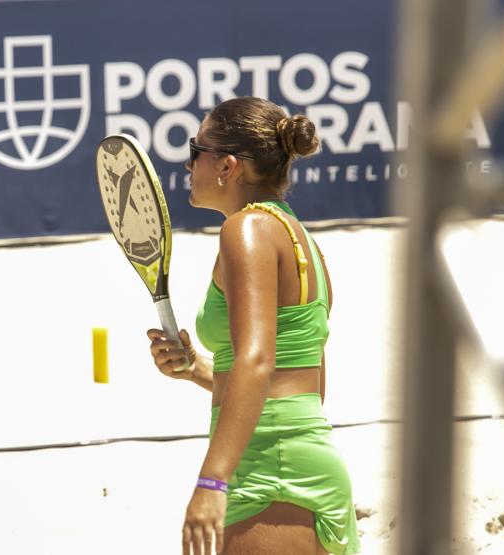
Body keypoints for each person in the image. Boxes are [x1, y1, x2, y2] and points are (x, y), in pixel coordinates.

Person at [147, 97, 361, 555]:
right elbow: (301, 384)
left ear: (227, 166)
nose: (188, 165)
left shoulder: (245, 230)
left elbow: (257, 360)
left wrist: (212, 481)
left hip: (269, 471)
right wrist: (198, 369)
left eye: (195, 151)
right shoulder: (301, 240)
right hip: (307, 460)